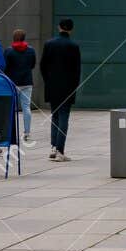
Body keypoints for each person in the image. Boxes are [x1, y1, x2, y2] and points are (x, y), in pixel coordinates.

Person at [39, 20, 81, 161]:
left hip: (52, 86)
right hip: (67, 87)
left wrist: (48, 81)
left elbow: (42, 66)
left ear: (59, 27)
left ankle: (53, 147)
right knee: (64, 117)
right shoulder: (74, 46)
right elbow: (77, 70)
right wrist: (74, 86)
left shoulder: (49, 44)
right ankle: (60, 150)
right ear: (71, 29)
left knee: (55, 116)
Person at [4, 30, 38, 142]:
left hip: (12, 83)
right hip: (27, 82)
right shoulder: (31, 50)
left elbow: (5, 67)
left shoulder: (9, 51)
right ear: (24, 38)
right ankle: (27, 132)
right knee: (26, 107)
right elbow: (33, 64)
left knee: (11, 108)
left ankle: (11, 132)